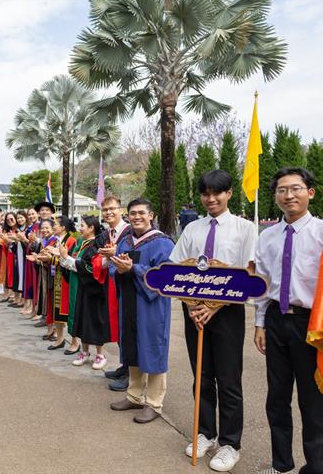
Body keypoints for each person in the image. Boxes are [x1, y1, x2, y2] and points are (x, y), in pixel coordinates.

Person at [169, 170, 257, 471]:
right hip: (194, 313)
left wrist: (214, 307)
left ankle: (231, 444)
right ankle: (205, 432)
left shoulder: (246, 229)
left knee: (229, 379)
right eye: (205, 193)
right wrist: (194, 306)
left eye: (217, 193)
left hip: (228, 312)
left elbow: (248, 273)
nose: (211, 199)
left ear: (229, 193)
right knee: (202, 376)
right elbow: (175, 266)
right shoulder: (192, 229)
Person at [254, 167, 323, 474]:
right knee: (277, 398)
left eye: (295, 188)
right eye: (282, 190)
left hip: (311, 324)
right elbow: (263, 283)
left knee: (314, 403)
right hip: (275, 320)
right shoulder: (267, 236)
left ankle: (316, 467)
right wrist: (259, 323)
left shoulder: (321, 232)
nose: (289, 195)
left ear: (310, 192)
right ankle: (281, 465)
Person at [109, 198, 174, 424]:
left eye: (141, 213)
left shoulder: (163, 243)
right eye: (132, 214)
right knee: (132, 348)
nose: (136, 217)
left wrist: (133, 268)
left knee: (152, 349)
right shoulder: (125, 241)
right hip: (128, 303)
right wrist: (118, 268)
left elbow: (165, 275)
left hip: (151, 307)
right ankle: (134, 396)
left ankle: (154, 403)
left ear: (151, 215)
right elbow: (112, 266)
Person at [60, 216, 110, 369]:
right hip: (82, 286)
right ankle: (85, 352)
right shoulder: (81, 243)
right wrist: (64, 258)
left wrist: (66, 257)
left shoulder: (96, 244)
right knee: (82, 319)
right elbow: (76, 263)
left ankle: (100, 355)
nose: (79, 228)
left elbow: (89, 267)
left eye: (82, 225)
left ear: (91, 228)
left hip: (94, 289)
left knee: (94, 321)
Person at [95, 195, 130, 391]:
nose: (108, 212)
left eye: (112, 209)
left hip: (126, 283)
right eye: (105, 209)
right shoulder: (109, 233)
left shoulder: (129, 231)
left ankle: (130, 371)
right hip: (112, 282)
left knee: (126, 325)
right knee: (118, 325)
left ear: (121, 210)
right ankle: (124, 365)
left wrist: (115, 253)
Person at [44, 216, 76, 350]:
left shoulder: (71, 241)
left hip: (66, 279)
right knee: (57, 310)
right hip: (56, 278)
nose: (53, 227)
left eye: (55, 224)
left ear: (63, 227)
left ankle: (75, 342)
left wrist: (53, 256)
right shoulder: (56, 240)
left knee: (70, 311)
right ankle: (60, 338)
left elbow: (71, 261)